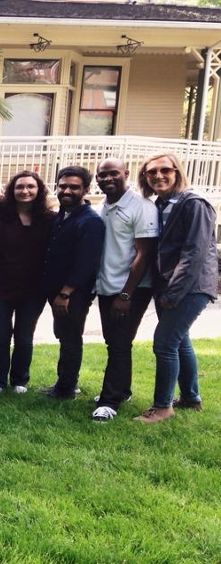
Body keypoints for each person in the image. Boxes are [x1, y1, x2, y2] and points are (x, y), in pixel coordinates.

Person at [134, 154, 217, 423]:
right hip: (169, 286)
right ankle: (191, 399)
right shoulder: (161, 204)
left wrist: (173, 292)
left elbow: (194, 252)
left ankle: (162, 407)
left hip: (190, 287)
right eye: (151, 172)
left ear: (177, 172)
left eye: (165, 170)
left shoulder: (194, 203)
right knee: (180, 341)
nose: (158, 175)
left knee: (165, 343)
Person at [91, 158, 159, 422]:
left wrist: (126, 294)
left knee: (119, 343)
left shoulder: (142, 207)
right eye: (102, 175)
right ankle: (122, 390)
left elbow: (144, 254)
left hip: (131, 289)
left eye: (113, 174)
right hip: (108, 287)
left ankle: (109, 403)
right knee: (116, 342)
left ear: (126, 174)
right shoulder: (103, 206)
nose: (107, 179)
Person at [0, 171, 55, 395]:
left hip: (34, 291)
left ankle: (20, 380)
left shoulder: (49, 219)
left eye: (30, 187)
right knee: (1, 336)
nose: (25, 191)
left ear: (39, 190)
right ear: (12, 191)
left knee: (24, 337)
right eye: (20, 187)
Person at [40, 166, 105, 400]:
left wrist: (66, 293)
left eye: (74, 187)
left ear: (86, 190)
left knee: (70, 338)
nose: (67, 190)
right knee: (63, 334)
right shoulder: (62, 215)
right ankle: (64, 382)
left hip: (72, 294)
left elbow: (86, 262)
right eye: (63, 186)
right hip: (56, 290)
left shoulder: (90, 222)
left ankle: (66, 388)